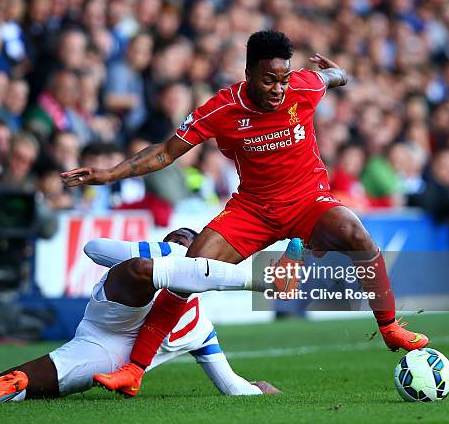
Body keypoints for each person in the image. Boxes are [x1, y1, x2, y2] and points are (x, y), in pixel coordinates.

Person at [61, 30, 429, 396]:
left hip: (308, 201)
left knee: (357, 235)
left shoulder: (304, 87)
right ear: (249, 73)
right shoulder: (222, 108)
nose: (278, 89)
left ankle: (390, 327)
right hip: (253, 209)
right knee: (189, 269)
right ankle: (135, 370)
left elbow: (331, 78)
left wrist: (339, 73)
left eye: (283, 80)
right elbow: (165, 152)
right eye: (269, 80)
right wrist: (110, 173)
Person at [0, 228, 280, 403]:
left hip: (104, 353)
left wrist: (258, 389)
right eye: (172, 242)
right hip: (113, 316)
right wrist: (164, 253)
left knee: (16, 384)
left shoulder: (200, 329)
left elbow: (231, 386)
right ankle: (266, 280)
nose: (177, 245)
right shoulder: (152, 261)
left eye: (184, 244)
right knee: (142, 270)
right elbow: (93, 248)